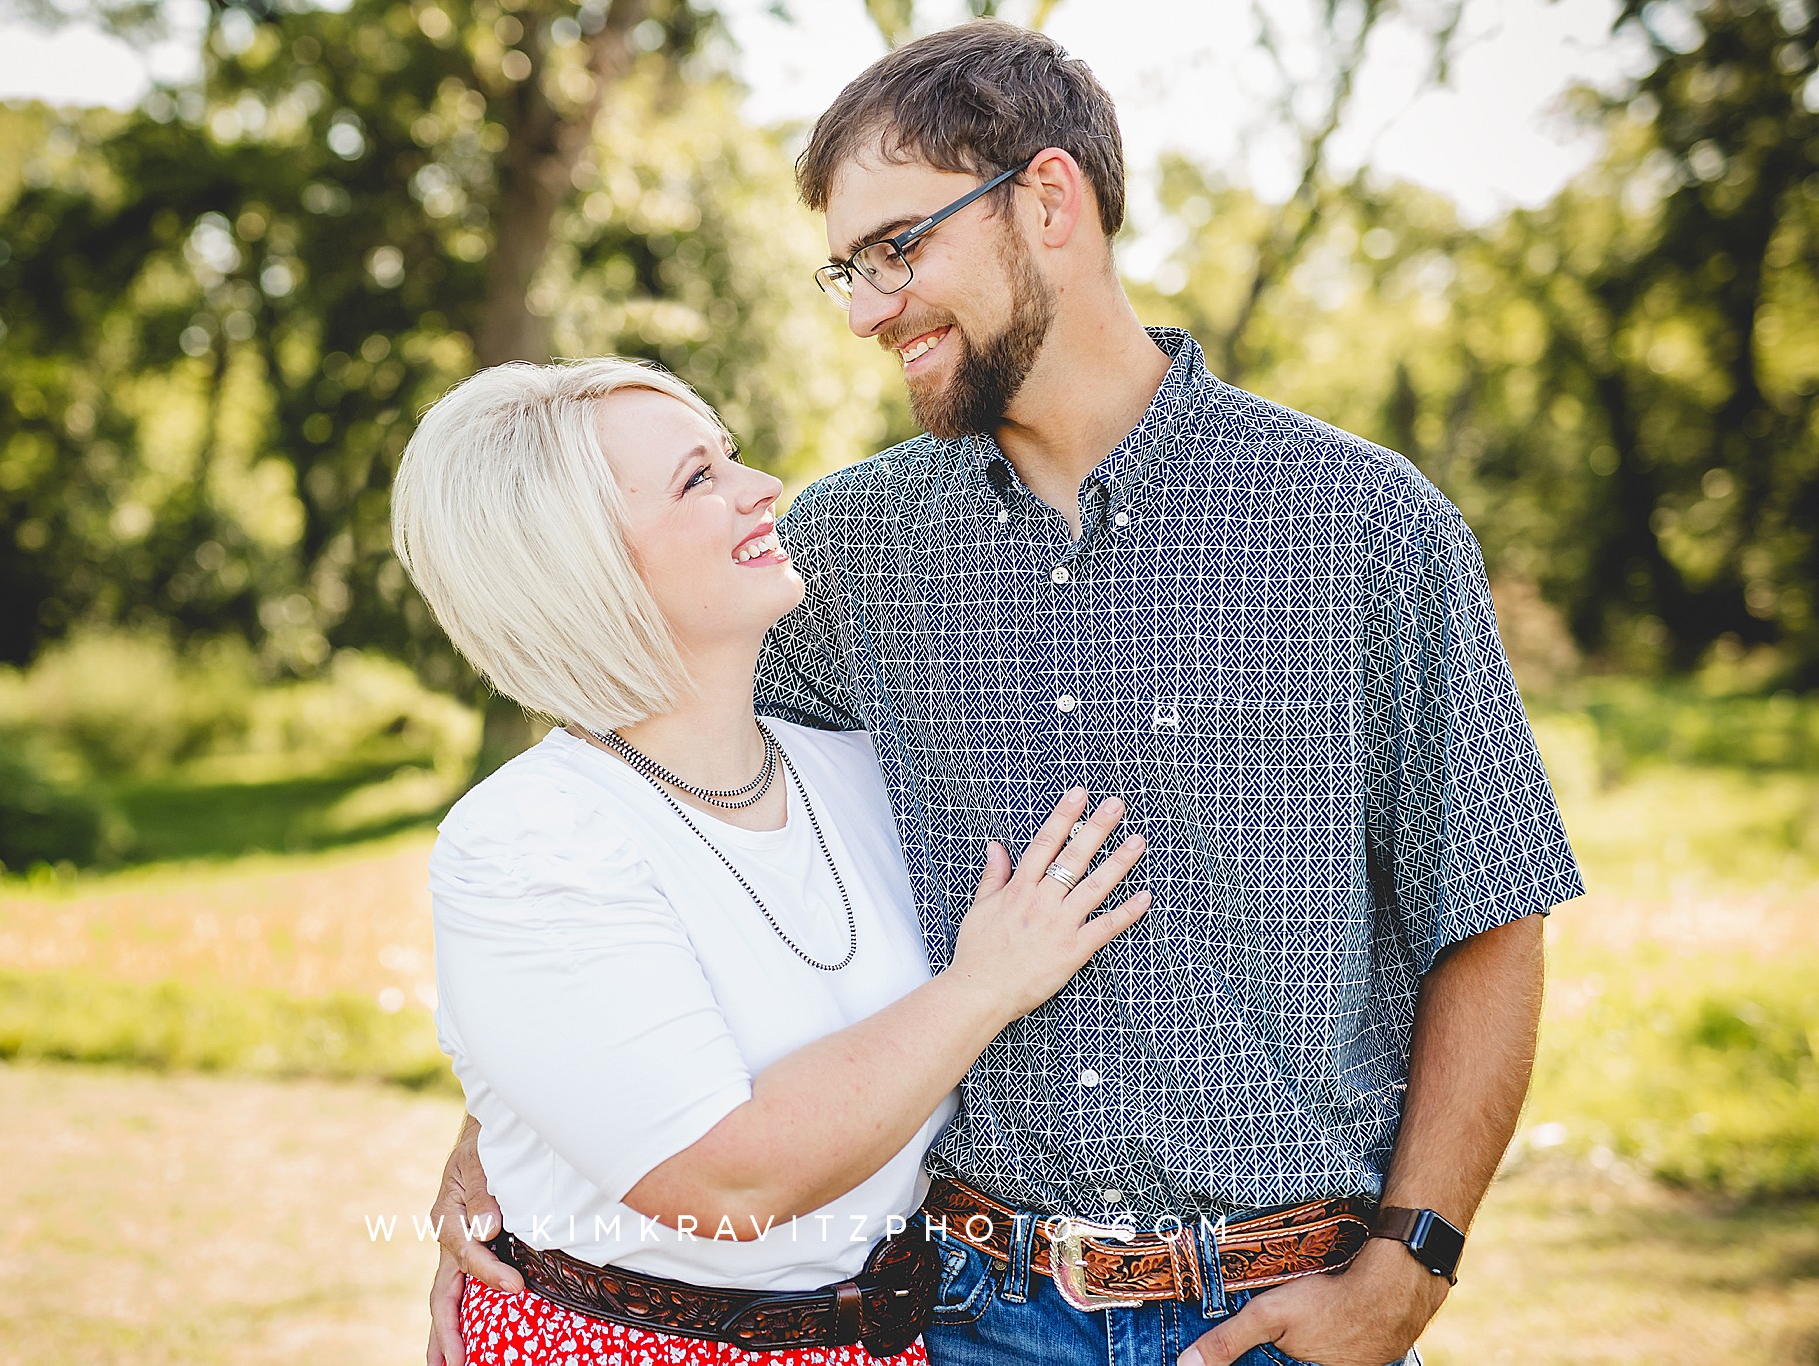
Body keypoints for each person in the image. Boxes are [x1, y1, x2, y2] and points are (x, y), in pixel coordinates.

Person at [428, 21, 1585, 1366]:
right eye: (847, 269)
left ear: (1049, 202)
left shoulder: (1362, 523)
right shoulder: (845, 550)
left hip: (1272, 1311)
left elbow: (1491, 917)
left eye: (900, 248)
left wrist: (1411, 1267)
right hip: (963, 1312)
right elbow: (640, 784)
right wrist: (510, 1129)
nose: (866, 309)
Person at [392, 356, 1156, 1366]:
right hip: (631, 1343)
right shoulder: (532, 838)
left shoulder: (859, 771)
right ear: (579, 564)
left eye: (730, 457)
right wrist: (987, 983)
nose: (760, 491)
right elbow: (721, 1181)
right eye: (695, 480)